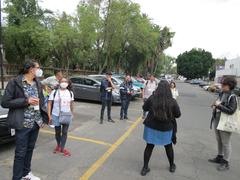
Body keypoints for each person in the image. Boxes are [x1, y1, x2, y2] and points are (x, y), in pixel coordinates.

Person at [1, 61, 48, 180]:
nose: (39, 69)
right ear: (31, 69)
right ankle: (17, 177)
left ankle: (26, 174)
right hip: (22, 124)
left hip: (35, 123)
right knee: (20, 153)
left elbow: (41, 100)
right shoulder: (15, 82)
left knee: (30, 149)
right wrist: (26, 101)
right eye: (38, 67)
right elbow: (5, 102)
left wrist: (43, 118)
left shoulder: (37, 82)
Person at [141, 80, 181, 176]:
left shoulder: (152, 98)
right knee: (168, 147)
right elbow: (178, 114)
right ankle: (172, 166)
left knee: (149, 146)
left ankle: (145, 168)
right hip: (166, 128)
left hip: (151, 127)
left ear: (158, 88)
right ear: (168, 89)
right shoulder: (172, 101)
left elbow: (144, 108)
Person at [209, 76, 237, 171]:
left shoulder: (232, 96)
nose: (221, 85)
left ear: (229, 86)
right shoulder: (222, 93)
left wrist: (219, 106)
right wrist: (215, 105)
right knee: (219, 140)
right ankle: (220, 156)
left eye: (223, 84)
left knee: (226, 142)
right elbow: (218, 103)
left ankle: (226, 162)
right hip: (217, 119)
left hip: (225, 122)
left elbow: (231, 111)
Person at [48, 78, 74, 157]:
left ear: (68, 83)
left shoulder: (70, 93)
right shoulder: (54, 92)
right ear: (59, 83)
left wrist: (72, 113)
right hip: (56, 115)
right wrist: (49, 116)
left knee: (65, 132)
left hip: (66, 115)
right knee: (58, 132)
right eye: (62, 81)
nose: (64, 83)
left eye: (66, 81)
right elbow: (49, 104)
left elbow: (71, 104)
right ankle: (58, 145)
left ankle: (62, 148)